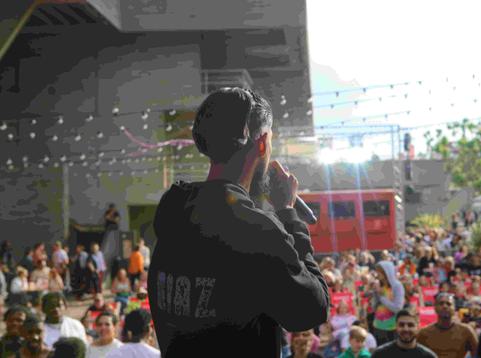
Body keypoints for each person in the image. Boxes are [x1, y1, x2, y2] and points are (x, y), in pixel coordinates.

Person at [148, 87, 330, 357]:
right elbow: (312, 310)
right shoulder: (258, 230)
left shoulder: (173, 207)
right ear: (262, 143)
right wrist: (288, 213)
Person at [417, 293, 478, 358]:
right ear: (435, 308)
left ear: (454, 308)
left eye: (448, 304)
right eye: (441, 303)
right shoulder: (424, 333)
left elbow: (478, 354)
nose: (445, 306)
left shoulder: (466, 331)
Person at [372, 309, 437, 358]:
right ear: (396, 327)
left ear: (418, 328)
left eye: (410, 325)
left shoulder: (429, 356)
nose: (406, 329)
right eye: (401, 325)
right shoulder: (380, 355)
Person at [372, 261, 405, 345]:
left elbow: (398, 308)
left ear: (387, 272)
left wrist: (382, 297)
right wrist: (376, 293)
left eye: (379, 271)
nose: (377, 273)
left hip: (392, 329)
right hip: (377, 326)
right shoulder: (380, 285)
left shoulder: (397, 286)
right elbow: (374, 308)